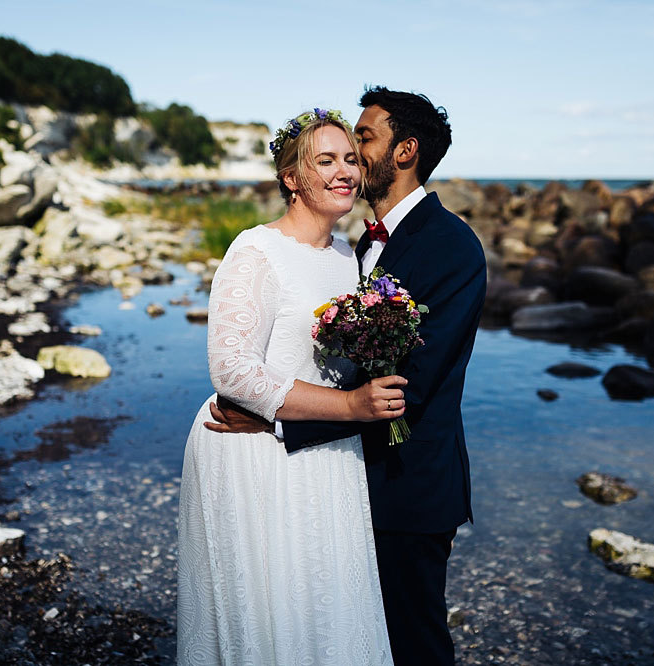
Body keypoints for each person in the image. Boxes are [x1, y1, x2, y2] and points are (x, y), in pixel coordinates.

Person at [207, 87, 488, 666]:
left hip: (409, 486)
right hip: (345, 480)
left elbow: (411, 381)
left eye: (364, 140)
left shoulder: (450, 245)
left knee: (414, 642)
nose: (354, 156)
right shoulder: (358, 246)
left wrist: (274, 421)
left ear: (404, 151)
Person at [176, 108, 406, 666]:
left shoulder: (348, 255)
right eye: (324, 161)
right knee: (270, 609)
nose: (344, 171)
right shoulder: (256, 251)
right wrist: (350, 406)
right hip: (257, 456)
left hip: (327, 452)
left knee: (326, 609)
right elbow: (232, 370)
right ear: (291, 178)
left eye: (351, 158)